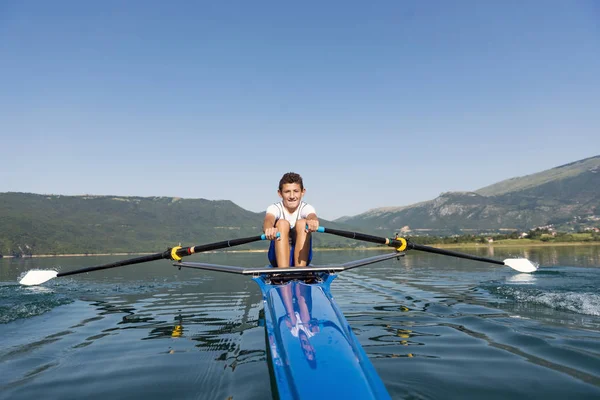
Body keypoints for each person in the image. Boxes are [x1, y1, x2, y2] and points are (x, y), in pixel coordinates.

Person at [263, 172, 319, 268]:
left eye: (296, 191)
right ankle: (282, 272)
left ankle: (301, 270)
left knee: (302, 223)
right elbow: (269, 220)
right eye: (287, 191)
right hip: (276, 260)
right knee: (282, 223)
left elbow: (311, 216)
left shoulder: (307, 208)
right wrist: (268, 229)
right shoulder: (274, 208)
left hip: (303, 259)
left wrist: (313, 221)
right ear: (280, 193)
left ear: (303, 192)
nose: (292, 196)